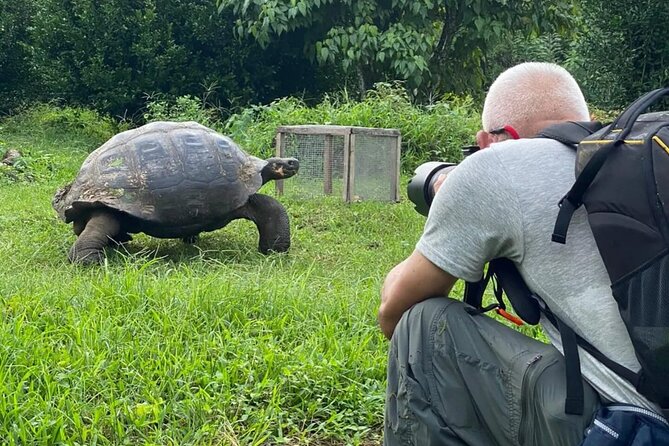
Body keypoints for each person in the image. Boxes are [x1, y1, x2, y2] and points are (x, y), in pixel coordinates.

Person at [378, 62, 662, 445]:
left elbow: (393, 312)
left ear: (491, 140)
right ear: (589, 121)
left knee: (421, 324)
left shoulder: (496, 166)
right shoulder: (636, 158)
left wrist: (456, 194)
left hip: (635, 430)